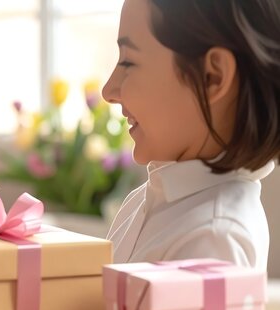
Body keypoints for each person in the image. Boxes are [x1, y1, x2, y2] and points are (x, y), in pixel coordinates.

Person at [102, 0, 280, 270]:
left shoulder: (214, 238)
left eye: (128, 62)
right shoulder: (144, 200)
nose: (108, 90)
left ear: (213, 76)